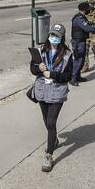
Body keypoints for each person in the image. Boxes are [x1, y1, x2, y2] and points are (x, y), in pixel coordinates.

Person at [31, 23, 74, 172]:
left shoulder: (68, 55)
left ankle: (49, 154)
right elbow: (32, 69)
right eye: (51, 35)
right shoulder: (41, 51)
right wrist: (39, 69)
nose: (53, 38)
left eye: (56, 36)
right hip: (42, 90)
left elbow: (68, 75)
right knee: (46, 120)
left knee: (51, 122)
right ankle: (53, 139)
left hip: (57, 91)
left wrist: (54, 74)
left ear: (62, 38)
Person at [70, 2, 95, 86]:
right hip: (78, 42)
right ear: (85, 9)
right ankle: (73, 78)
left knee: (81, 60)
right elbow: (87, 28)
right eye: (88, 8)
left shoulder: (82, 17)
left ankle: (78, 77)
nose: (89, 10)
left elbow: (89, 24)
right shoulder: (79, 19)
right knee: (78, 60)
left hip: (81, 41)